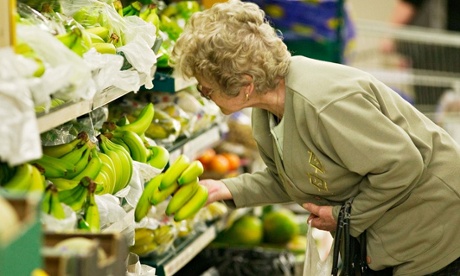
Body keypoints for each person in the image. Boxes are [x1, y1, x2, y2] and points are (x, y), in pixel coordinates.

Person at [169, 0, 460, 275]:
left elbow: (402, 166)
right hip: (393, 234)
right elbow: (297, 175)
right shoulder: (268, 107)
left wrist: (346, 216)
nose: (203, 95)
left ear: (245, 85)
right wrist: (224, 189)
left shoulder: (325, 104)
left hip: (434, 230)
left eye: (205, 89)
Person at [381, 0, 460, 107]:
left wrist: (388, 36)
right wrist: (389, 36)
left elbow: (408, 5)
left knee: (432, 105)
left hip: (440, 50)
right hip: (438, 51)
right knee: (433, 104)